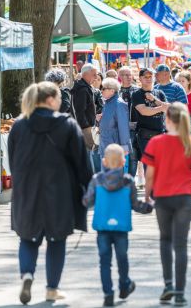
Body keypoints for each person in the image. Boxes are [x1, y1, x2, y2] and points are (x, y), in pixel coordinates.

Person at [8, 81, 92, 305]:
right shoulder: (67, 125)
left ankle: (27, 274)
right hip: (60, 190)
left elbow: (12, 160)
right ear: (50, 100)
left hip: (27, 190)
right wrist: (88, 187)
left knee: (28, 237)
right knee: (56, 240)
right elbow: (82, 162)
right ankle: (52, 289)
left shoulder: (19, 125)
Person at [142, 102, 191, 306]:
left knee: (165, 240)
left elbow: (150, 174)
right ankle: (180, 292)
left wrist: (147, 194)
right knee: (181, 244)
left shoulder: (156, 142)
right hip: (184, 198)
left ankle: (168, 285)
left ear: (167, 120)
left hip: (162, 197)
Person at [82, 144, 152, 307]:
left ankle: (108, 293)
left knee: (104, 261)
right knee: (122, 258)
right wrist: (148, 207)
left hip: (102, 228)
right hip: (121, 228)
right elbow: (135, 204)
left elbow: (88, 201)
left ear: (104, 162)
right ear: (123, 162)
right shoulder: (127, 181)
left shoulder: (97, 180)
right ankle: (124, 285)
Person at [71, 63, 103, 170]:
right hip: (86, 128)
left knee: (93, 154)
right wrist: (87, 128)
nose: (95, 78)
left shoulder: (84, 87)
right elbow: (79, 112)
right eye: (94, 75)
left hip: (88, 126)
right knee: (92, 155)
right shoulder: (82, 89)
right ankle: (94, 179)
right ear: (86, 74)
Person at [132, 68, 169, 159]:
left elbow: (168, 109)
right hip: (146, 137)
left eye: (150, 76)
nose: (148, 79)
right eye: (146, 77)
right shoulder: (137, 94)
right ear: (140, 78)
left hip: (161, 135)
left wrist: (154, 99)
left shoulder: (159, 93)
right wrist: (161, 108)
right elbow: (144, 111)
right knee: (149, 167)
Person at [99, 78, 131, 162]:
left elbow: (123, 127)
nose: (101, 91)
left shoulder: (119, 104)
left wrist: (125, 147)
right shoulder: (108, 103)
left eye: (103, 88)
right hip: (106, 146)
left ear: (112, 91)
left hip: (114, 148)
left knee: (113, 174)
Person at [118, 67, 141, 177]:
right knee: (119, 154)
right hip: (118, 128)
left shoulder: (137, 91)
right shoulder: (116, 91)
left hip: (133, 127)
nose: (128, 77)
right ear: (120, 77)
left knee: (133, 155)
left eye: (129, 75)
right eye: (125, 75)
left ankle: (130, 179)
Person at [177, 71, 191, 135]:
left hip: (190, 126)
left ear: (189, 82)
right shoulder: (176, 94)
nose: (180, 83)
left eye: (183, 81)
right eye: (179, 81)